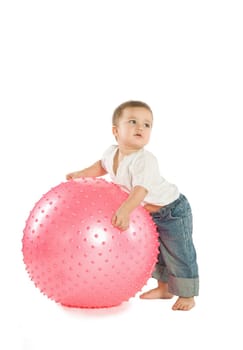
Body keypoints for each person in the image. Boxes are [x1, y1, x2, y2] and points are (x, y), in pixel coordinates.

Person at [66, 100, 199, 311]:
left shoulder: (145, 160)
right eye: (133, 121)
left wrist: (125, 210)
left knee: (178, 252)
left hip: (172, 211)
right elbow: (101, 166)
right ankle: (164, 287)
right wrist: (81, 174)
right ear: (115, 131)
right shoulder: (111, 153)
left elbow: (140, 189)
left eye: (147, 125)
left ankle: (188, 294)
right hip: (148, 213)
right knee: (157, 253)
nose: (141, 127)